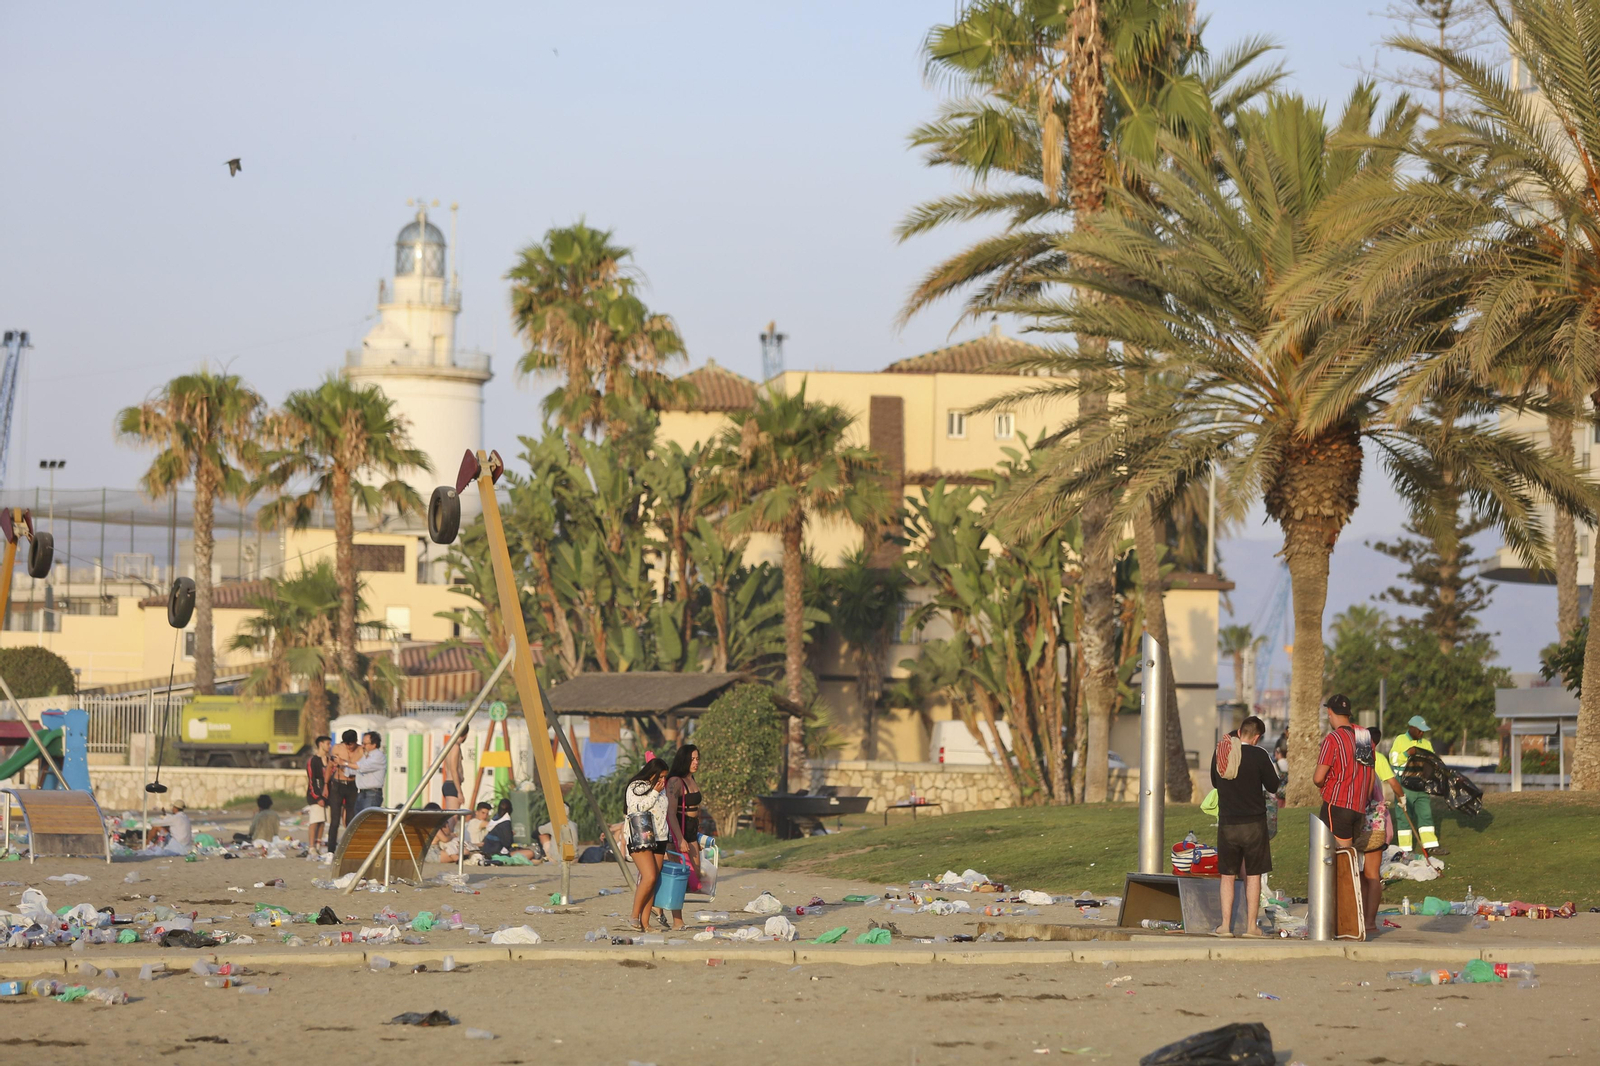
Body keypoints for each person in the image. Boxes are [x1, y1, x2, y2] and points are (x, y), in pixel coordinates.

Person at [1210, 716, 1279, 937]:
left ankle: (1225, 926)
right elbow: (1273, 785)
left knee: (1227, 876)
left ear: (1240, 732)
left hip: (1228, 823)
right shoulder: (1260, 755)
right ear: (1257, 737)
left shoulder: (1222, 752)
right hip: (1254, 824)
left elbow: (1214, 781)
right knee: (1253, 875)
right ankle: (1251, 927)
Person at [1357, 726, 1407, 934]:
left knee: (1364, 875)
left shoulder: (1366, 764)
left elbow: (1369, 790)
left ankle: (1363, 921)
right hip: (1378, 825)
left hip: (1366, 825)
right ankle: (1367, 922)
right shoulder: (1374, 762)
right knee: (1369, 875)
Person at [1312, 694, 1375, 851]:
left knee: (1340, 856)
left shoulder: (1333, 739)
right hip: (1359, 806)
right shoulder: (1364, 736)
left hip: (1338, 804)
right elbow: (1371, 775)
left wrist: (1324, 786)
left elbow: (1318, 778)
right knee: (1352, 855)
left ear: (1330, 712)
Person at [624, 757, 670, 932]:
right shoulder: (636, 787)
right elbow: (637, 808)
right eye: (660, 777)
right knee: (649, 876)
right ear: (652, 773)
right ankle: (634, 916)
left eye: (664, 777)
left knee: (653, 880)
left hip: (660, 837)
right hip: (640, 836)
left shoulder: (662, 789)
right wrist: (655, 793)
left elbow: (663, 812)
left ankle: (645, 923)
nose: (662, 781)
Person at [1389, 715, 1446, 856]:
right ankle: (1406, 849)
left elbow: (1432, 761)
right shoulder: (1400, 740)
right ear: (1411, 728)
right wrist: (1407, 753)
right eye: (1419, 730)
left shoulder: (1426, 743)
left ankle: (1431, 846)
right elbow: (1393, 760)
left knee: (1425, 814)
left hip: (1421, 785)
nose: (1421, 733)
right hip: (1404, 784)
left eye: (1423, 731)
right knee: (1404, 816)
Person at [326, 730, 360, 850]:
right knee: (335, 819)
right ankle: (331, 849)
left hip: (352, 785)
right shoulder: (337, 748)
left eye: (351, 744)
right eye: (347, 744)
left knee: (351, 818)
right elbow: (329, 766)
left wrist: (345, 762)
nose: (349, 747)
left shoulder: (360, 750)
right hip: (338, 784)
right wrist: (326, 785)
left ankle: (349, 847)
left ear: (355, 742)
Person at [305, 735, 331, 853]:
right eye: (327, 744)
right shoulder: (313, 761)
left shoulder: (330, 759)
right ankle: (311, 847)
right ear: (321, 744)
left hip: (328, 796)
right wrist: (317, 797)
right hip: (316, 795)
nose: (329, 746)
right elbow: (312, 780)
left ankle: (318, 844)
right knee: (315, 821)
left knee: (322, 821)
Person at [353, 731, 386, 815]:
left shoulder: (378, 756)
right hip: (361, 793)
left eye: (365, 744)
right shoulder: (365, 756)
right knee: (358, 820)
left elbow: (362, 767)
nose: (362, 746)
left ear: (374, 744)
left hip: (372, 794)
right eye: (362, 743)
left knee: (367, 819)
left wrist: (344, 763)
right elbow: (353, 769)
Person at [441, 737, 463, 811]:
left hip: (451, 784)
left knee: (453, 816)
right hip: (452, 784)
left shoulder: (449, 745)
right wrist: (459, 792)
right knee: (453, 816)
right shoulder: (455, 747)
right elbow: (453, 769)